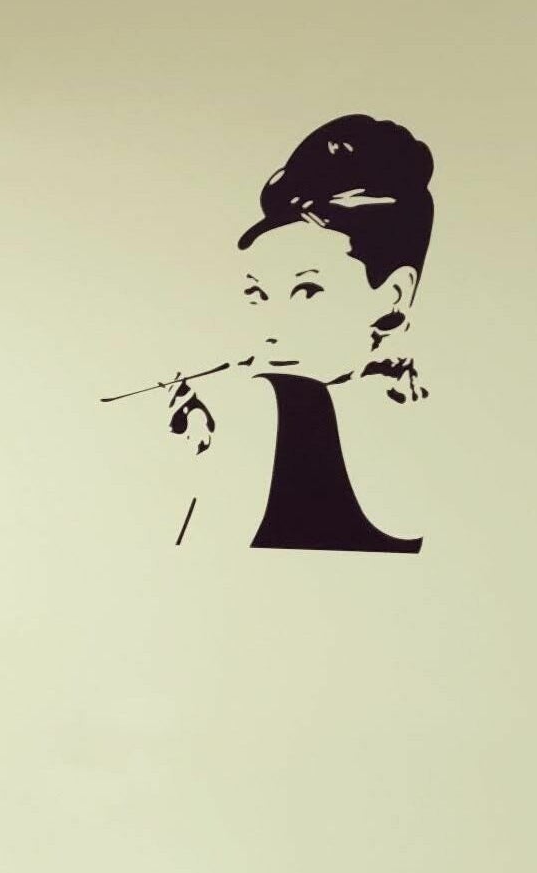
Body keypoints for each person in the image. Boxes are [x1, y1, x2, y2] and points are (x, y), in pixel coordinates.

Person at [153, 115, 433, 552]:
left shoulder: (262, 409)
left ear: (393, 294)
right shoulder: (421, 418)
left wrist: (208, 458)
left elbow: (191, 580)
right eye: (257, 293)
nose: (270, 326)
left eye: (307, 290)